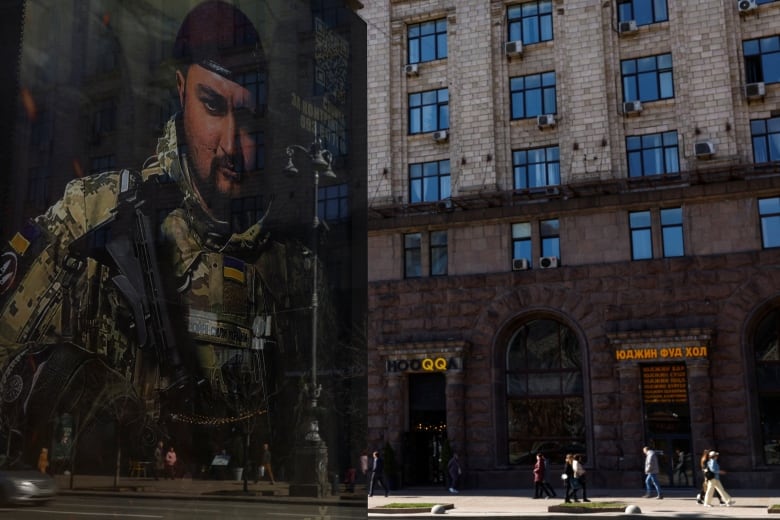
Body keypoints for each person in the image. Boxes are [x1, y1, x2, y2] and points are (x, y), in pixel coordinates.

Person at [0, 0, 319, 472]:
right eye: (212, 106)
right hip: (100, 486)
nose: (232, 145)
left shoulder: (283, 262)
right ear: (180, 91)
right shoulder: (92, 210)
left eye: (247, 117)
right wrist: (74, 380)